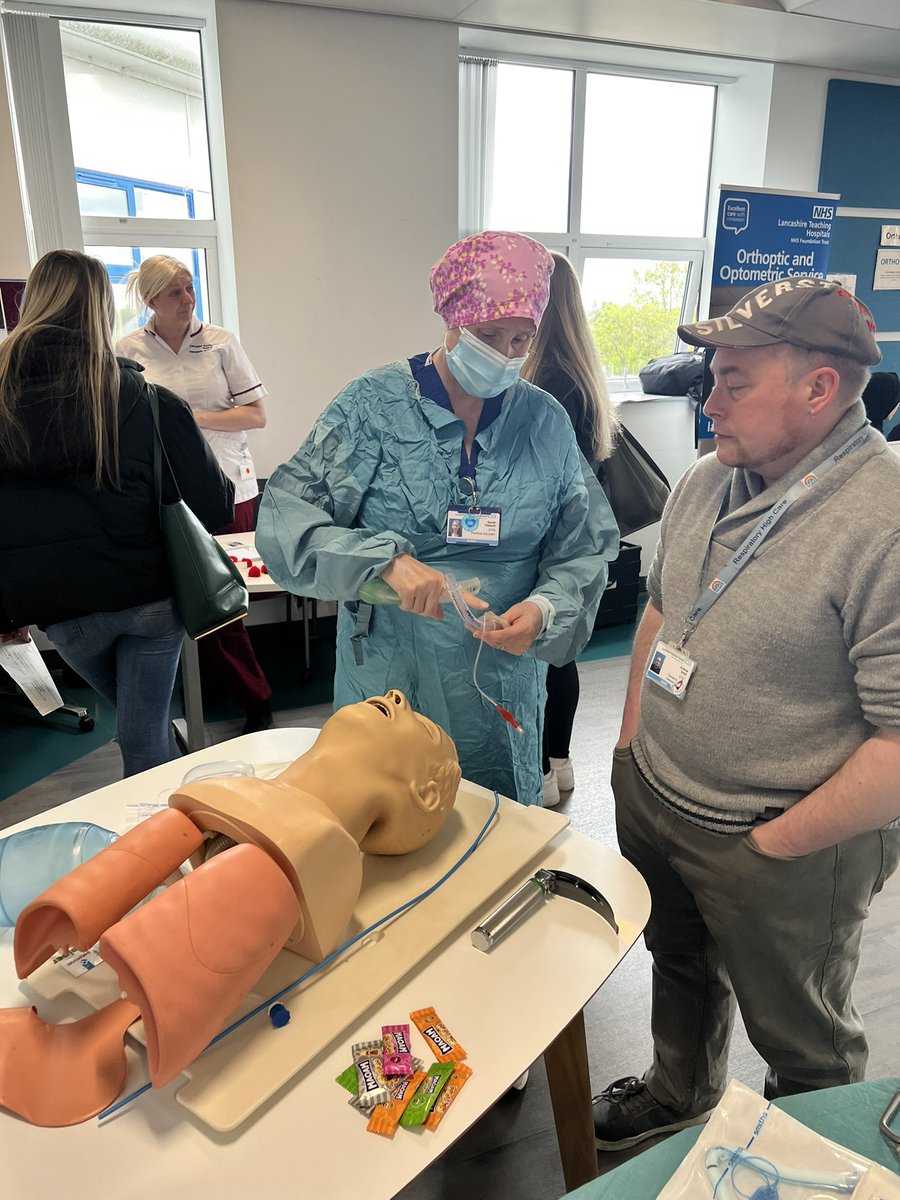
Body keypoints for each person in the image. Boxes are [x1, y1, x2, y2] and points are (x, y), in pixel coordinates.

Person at [592, 277, 900, 1152]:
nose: (709, 401)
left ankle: (807, 1147)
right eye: (710, 378)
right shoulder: (704, 478)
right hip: (660, 793)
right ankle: (679, 1089)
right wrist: (630, 750)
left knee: (803, 1034)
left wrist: (777, 846)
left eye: (735, 381)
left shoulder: (884, 522)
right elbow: (661, 609)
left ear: (820, 389)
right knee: (679, 964)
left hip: (780, 840)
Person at [257, 231, 619, 806]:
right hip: (391, 674)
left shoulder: (543, 420)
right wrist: (385, 562)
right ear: (452, 320)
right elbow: (288, 519)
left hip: (500, 679)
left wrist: (546, 608)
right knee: (385, 821)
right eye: (489, 335)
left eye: (521, 339)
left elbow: (581, 545)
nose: (505, 354)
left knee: (492, 831)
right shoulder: (373, 407)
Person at [0, 250, 232, 776]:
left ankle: (194, 817)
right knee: (143, 738)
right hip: (146, 598)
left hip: (56, 608)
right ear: (101, 311)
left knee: (141, 723)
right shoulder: (146, 401)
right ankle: (167, 851)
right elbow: (215, 506)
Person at [116, 256, 274, 735]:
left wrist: (187, 419)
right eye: (175, 293)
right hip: (166, 493)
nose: (187, 300)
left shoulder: (221, 343)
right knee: (181, 595)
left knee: (222, 596)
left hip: (228, 486)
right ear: (150, 302)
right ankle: (213, 688)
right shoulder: (127, 350)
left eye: (189, 289)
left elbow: (255, 415)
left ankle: (255, 696)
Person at [520, 251, 619, 807]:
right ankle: (558, 760)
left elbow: (538, 482)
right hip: (580, 546)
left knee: (539, 657)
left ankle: (539, 768)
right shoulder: (580, 374)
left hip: (553, 548)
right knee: (561, 655)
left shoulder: (548, 384)